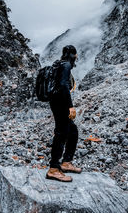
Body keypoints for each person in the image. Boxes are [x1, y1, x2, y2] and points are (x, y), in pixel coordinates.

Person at [46, 45, 82, 182]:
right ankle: (54, 169)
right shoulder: (66, 65)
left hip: (55, 102)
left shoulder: (58, 64)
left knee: (72, 131)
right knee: (61, 134)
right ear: (73, 55)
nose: (76, 57)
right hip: (61, 103)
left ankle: (66, 162)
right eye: (75, 55)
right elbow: (63, 86)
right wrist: (70, 107)